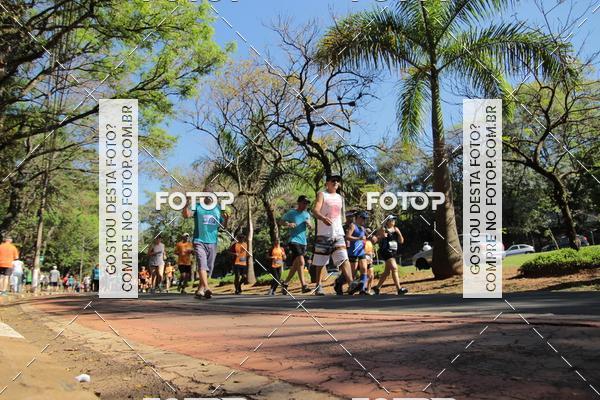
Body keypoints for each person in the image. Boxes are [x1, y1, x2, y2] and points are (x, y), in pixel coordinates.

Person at [311, 174, 355, 296]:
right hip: (324, 234)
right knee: (321, 262)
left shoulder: (340, 198)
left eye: (337, 181)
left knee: (344, 258)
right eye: (333, 180)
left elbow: (342, 217)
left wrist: (347, 229)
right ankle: (318, 286)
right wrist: (323, 218)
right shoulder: (322, 194)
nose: (336, 182)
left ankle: (351, 284)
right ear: (327, 183)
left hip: (338, 233)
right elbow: (315, 210)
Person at [182, 189, 228, 299]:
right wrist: (186, 204)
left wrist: (226, 219)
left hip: (213, 242)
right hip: (199, 241)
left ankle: (200, 290)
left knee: (209, 267)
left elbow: (223, 227)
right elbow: (186, 215)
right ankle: (207, 288)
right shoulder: (197, 206)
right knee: (202, 264)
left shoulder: (217, 208)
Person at [280, 195, 312, 294]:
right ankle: (304, 285)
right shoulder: (291, 213)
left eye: (307, 204)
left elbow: (311, 226)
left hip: (303, 242)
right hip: (294, 240)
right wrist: (288, 224)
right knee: (301, 261)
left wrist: (309, 225)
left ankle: (285, 283)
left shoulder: (307, 214)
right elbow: (281, 221)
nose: (305, 205)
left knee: (296, 265)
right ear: (299, 203)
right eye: (304, 203)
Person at [372, 215, 408, 295]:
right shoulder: (383, 229)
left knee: (387, 272)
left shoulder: (396, 229)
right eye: (392, 219)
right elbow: (375, 239)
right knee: (394, 268)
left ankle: (377, 288)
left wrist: (399, 233)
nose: (393, 221)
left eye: (394, 219)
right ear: (387, 221)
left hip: (393, 252)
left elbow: (401, 241)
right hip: (385, 251)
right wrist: (381, 236)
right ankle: (399, 289)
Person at [344, 211, 370, 295]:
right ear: (358, 217)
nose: (364, 220)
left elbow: (367, 236)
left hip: (361, 251)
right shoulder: (352, 226)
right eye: (363, 218)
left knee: (364, 269)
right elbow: (347, 237)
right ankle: (345, 286)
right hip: (353, 252)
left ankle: (362, 289)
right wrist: (358, 238)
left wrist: (371, 237)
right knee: (353, 272)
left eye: (365, 219)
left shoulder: (362, 227)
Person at [364, 229, 377, 294]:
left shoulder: (370, 242)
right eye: (368, 233)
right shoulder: (362, 241)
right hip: (363, 261)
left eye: (370, 233)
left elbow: (371, 250)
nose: (370, 234)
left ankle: (368, 290)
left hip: (370, 261)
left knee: (371, 275)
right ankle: (362, 289)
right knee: (364, 275)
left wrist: (373, 253)